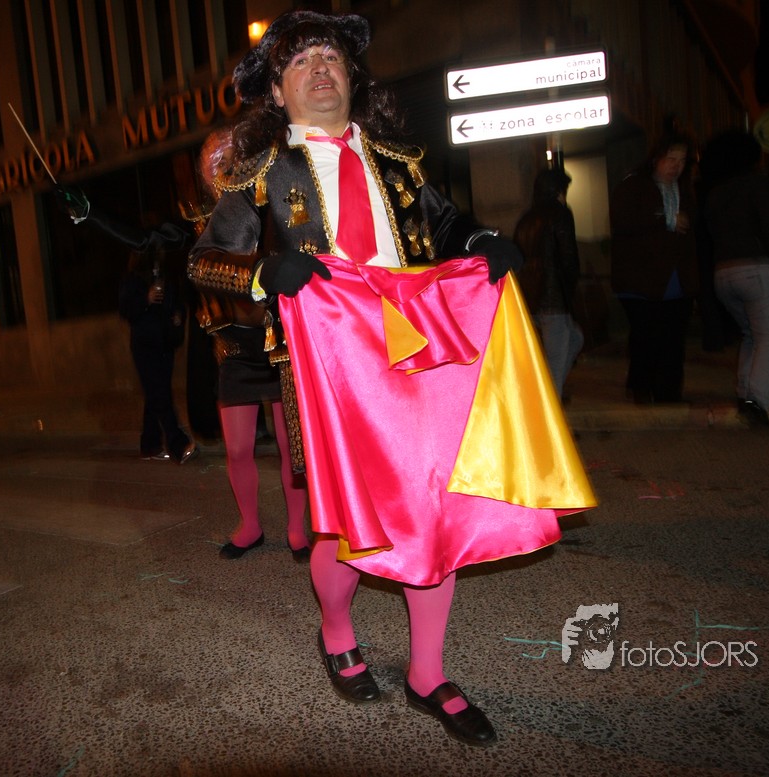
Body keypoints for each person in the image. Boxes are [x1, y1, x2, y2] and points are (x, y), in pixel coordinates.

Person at [188, 10, 595, 746]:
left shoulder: (398, 165)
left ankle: (427, 673)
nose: (320, 68)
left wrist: (481, 240)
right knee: (348, 520)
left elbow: (447, 226)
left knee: (432, 507)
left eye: (332, 57)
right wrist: (263, 272)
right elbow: (204, 262)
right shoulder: (261, 174)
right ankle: (336, 628)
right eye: (301, 60)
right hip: (323, 366)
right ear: (277, 92)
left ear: (351, 76)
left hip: (411, 354)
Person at [59, 128, 310, 561]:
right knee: (237, 449)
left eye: (233, 159)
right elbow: (144, 239)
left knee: (291, 448)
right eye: (217, 162)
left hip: (277, 343)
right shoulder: (198, 222)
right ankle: (250, 526)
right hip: (233, 352)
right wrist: (90, 213)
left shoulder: (271, 201)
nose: (225, 168)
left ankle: (297, 532)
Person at [700, 129, 769, 431]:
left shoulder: (715, 193)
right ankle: (757, 401)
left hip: (724, 272)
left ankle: (744, 392)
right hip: (758, 268)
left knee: (751, 334)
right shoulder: (759, 184)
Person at [610, 126, 699, 404]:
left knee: (673, 339)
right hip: (640, 281)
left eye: (682, 160)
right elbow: (624, 222)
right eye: (671, 158)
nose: (676, 166)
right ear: (656, 158)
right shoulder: (634, 186)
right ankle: (641, 387)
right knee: (647, 335)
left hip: (676, 280)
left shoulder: (684, 190)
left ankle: (668, 392)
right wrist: (666, 219)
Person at [117, 244, 198, 464]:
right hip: (145, 344)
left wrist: (177, 316)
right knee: (160, 395)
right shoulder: (133, 279)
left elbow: (177, 302)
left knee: (155, 394)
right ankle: (178, 443)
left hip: (165, 342)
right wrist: (146, 299)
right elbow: (125, 309)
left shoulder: (165, 276)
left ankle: (150, 445)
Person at [513, 167, 584, 397]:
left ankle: (547, 394)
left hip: (530, 295)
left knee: (573, 339)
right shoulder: (560, 214)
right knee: (557, 357)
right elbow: (568, 256)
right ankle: (550, 402)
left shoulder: (526, 219)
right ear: (559, 190)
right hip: (554, 296)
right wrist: (571, 287)